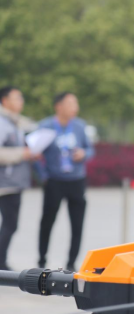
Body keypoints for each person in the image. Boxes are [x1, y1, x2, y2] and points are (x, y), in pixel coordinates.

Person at [37, 92, 94, 271]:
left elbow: (90, 149)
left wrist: (84, 154)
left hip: (76, 181)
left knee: (77, 223)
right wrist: (43, 176)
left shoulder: (79, 126)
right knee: (47, 221)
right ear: (59, 106)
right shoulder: (46, 126)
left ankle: (71, 262)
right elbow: (35, 153)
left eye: (76, 103)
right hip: (54, 181)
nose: (75, 107)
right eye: (70, 103)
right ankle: (42, 260)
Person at [0, 86, 38, 271]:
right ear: (5, 100)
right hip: (6, 183)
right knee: (10, 224)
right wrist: (23, 153)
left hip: (13, 183)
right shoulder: (2, 123)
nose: (21, 101)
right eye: (17, 98)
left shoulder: (14, 122)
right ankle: (1, 264)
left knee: (10, 224)